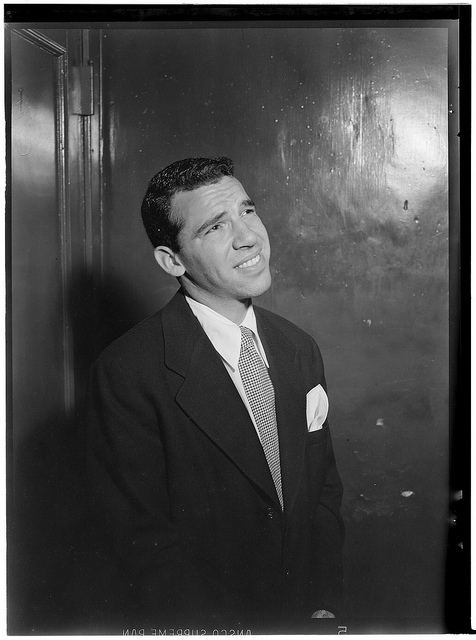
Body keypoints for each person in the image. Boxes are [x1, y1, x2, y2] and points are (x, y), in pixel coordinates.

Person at [86, 157, 344, 632]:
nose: (249, 237)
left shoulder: (298, 347)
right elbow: (141, 542)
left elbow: (322, 493)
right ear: (172, 260)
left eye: (248, 211)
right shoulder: (126, 372)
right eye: (214, 227)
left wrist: (323, 607)